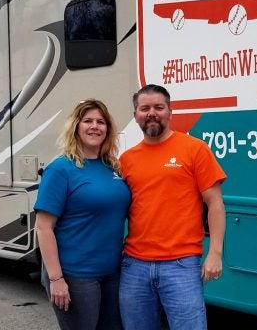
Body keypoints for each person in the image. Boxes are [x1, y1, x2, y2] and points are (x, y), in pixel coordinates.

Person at [118, 84, 227, 330]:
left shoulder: (194, 149)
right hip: (135, 265)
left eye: (159, 107)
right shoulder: (126, 160)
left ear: (170, 111)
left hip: (181, 265)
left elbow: (215, 204)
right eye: (144, 108)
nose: (152, 113)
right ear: (135, 115)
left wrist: (215, 253)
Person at [34, 99, 131, 330]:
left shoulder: (112, 167)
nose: (94, 126)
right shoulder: (61, 169)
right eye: (87, 121)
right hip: (76, 276)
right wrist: (56, 279)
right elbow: (43, 227)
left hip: (112, 272)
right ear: (76, 126)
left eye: (100, 121)